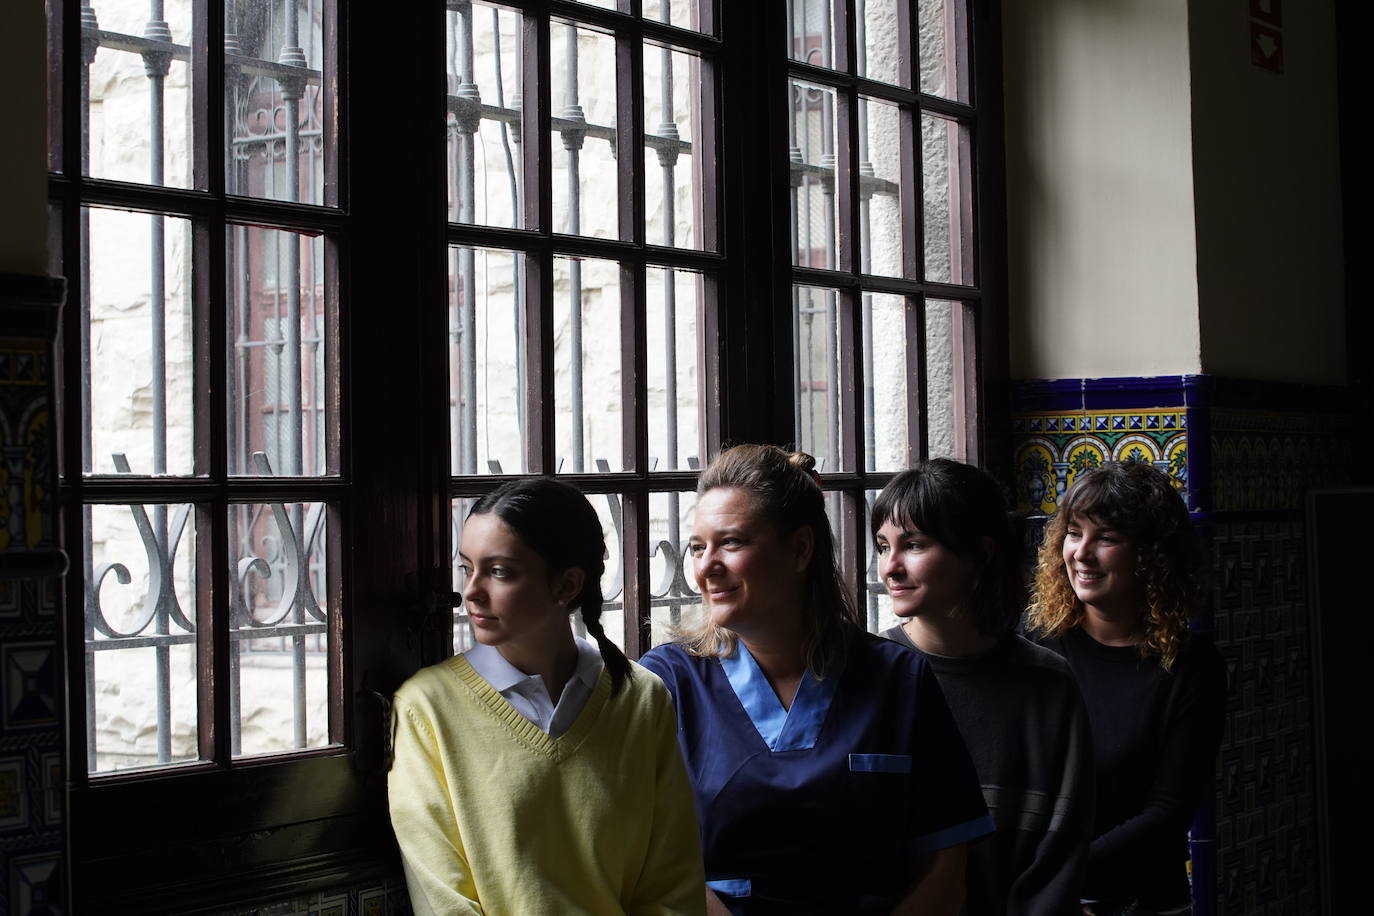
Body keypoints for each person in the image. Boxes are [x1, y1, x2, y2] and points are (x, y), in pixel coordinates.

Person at [641, 444, 993, 915]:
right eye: (698, 547)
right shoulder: (668, 682)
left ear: (800, 549)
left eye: (732, 542)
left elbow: (946, 864)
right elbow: (642, 859)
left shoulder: (898, 678)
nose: (706, 567)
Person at [387, 477, 706, 916]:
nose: (471, 591)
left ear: (566, 585)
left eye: (499, 571)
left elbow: (673, 885)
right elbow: (442, 897)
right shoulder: (427, 708)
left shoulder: (640, 699)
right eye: (467, 568)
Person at [872, 459, 1095, 916]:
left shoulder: (1048, 685)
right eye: (882, 546)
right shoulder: (866, 678)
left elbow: (1058, 857)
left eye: (913, 545)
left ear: (982, 554)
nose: (890, 568)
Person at [1027, 461, 1227, 916]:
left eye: (1107, 538)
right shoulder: (1033, 644)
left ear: (1152, 555)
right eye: (1074, 533)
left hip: (1143, 904)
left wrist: (1057, 876)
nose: (1081, 552)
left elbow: (1166, 813)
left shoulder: (1192, 667)